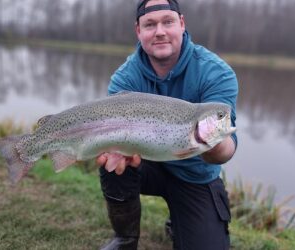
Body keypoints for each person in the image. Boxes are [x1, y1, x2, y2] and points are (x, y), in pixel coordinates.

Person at [97, 0, 238, 249]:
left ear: (182, 24)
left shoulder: (216, 72)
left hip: (195, 175)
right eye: (150, 24)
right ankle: (125, 238)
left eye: (168, 22)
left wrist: (212, 141)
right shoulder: (125, 78)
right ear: (138, 31)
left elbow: (224, 154)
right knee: (111, 165)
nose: (159, 31)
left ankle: (180, 219)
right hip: (145, 163)